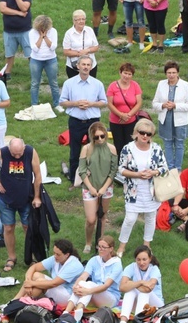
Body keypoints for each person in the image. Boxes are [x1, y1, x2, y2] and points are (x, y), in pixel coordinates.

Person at [0, 138, 41, 272]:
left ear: (24, 148)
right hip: (6, 199)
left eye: (20, 154)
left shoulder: (30, 152)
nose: (17, 156)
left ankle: (30, 257)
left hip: (26, 198)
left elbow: (37, 175)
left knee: (28, 228)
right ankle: (11, 257)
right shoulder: (3, 152)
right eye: (14, 154)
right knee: (8, 228)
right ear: (9, 149)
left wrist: (37, 196)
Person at [116, 119, 168, 257]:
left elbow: (164, 168)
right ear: (136, 132)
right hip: (133, 190)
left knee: (151, 217)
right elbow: (121, 169)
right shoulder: (128, 148)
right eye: (142, 133)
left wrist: (154, 172)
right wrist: (137, 175)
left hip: (151, 190)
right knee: (130, 219)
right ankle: (121, 247)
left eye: (148, 134)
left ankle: (147, 246)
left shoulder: (156, 149)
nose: (145, 136)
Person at [59, 55, 107, 188]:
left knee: (95, 150)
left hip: (93, 122)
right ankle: (74, 179)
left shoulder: (98, 84)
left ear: (91, 67)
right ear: (78, 66)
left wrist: (91, 104)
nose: (86, 67)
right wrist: (76, 103)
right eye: (83, 64)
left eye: (88, 65)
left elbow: (104, 102)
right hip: (76, 121)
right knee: (75, 151)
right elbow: (62, 101)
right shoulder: (69, 83)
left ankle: (95, 177)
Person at [64, 234, 123, 321]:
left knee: (89, 284)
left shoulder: (117, 263)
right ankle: (66, 313)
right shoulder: (94, 260)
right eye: (99, 246)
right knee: (82, 283)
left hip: (111, 297)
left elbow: (106, 285)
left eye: (104, 247)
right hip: (94, 293)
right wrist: (75, 286)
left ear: (111, 249)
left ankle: (76, 314)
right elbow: (83, 276)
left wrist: (88, 291)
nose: (100, 249)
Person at [78, 122, 117, 253]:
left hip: (106, 186)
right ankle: (88, 242)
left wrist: (104, 188)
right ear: (91, 137)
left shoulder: (111, 149)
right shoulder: (86, 149)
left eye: (102, 136)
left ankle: (100, 242)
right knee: (90, 219)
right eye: (96, 137)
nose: (100, 139)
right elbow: (82, 171)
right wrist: (91, 188)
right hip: (90, 186)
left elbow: (113, 171)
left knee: (102, 216)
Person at [12, 239, 84, 305]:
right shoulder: (57, 258)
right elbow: (34, 267)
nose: (55, 256)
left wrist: (31, 283)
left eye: (58, 254)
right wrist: (28, 281)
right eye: (54, 253)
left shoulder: (74, 265)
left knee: (40, 282)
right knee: (35, 275)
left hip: (69, 296)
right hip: (58, 288)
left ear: (67, 255)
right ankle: (14, 301)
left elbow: (54, 283)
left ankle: (18, 304)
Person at [152, 61, 188, 170]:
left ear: (178, 73)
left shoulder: (186, 86)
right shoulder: (161, 84)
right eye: (168, 72)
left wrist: (175, 105)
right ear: (165, 74)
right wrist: (163, 105)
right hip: (165, 119)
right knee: (167, 143)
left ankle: (178, 168)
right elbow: (154, 103)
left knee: (179, 144)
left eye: (173, 72)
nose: (171, 75)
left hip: (180, 120)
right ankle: (170, 167)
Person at [117, 245, 164, 323]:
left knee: (141, 292)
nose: (141, 263)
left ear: (150, 259)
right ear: (135, 259)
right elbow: (121, 287)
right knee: (130, 291)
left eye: (144, 259)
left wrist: (131, 284)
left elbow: (148, 289)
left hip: (155, 305)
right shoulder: (131, 267)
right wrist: (140, 282)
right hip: (140, 304)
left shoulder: (154, 269)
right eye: (138, 260)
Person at [0, 0, 32, 78]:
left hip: (25, 30)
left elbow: (24, 7)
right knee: (9, 54)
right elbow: (2, 9)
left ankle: (34, 73)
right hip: (9, 31)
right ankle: (7, 73)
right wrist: (19, 13)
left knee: (30, 54)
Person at [107, 63, 142, 157]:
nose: (127, 76)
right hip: (115, 121)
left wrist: (128, 115)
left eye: (129, 74)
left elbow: (138, 103)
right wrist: (121, 115)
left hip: (131, 121)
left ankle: (129, 167)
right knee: (118, 146)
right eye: (125, 73)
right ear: (120, 73)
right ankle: (118, 166)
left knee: (130, 145)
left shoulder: (135, 85)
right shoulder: (112, 86)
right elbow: (109, 103)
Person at [28, 15, 59, 107]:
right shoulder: (32, 33)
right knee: (35, 83)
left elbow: (53, 47)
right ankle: (34, 104)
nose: (43, 29)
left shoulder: (53, 31)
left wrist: (45, 37)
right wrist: (40, 37)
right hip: (36, 60)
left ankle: (57, 104)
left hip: (51, 60)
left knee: (53, 83)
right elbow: (35, 49)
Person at [63, 10, 100, 78]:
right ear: (74, 21)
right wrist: (79, 54)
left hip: (90, 66)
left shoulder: (90, 30)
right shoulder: (69, 33)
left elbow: (96, 47)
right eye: (79, 19)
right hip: (74, 67)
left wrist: (87, 50)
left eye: (83, 19)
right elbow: (66, 51)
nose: (81, 21)